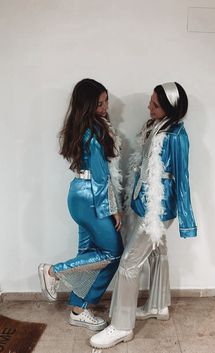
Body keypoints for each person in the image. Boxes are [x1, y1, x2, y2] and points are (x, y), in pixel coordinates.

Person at [90, 82, 197, 348]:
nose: (148, 107)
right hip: (143, 203)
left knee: (129, 263)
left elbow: (182, 179)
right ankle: (158, 305)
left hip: (159, 210)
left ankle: (121, 326)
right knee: (157, 252)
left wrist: (187, 222)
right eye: (151, 101)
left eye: (155, 105)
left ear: (171, 109)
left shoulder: (176, 135)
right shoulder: (154, 126)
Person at [38, 78, 124, 331]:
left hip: (78, 194)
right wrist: (112, 208)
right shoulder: (95, 130)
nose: (106, 107)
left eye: (106, 100)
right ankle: (53, 271)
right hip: (91, 197)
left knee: (88, 254)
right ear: (88, 105)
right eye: (100, 103)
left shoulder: (81, 125)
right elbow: (100, 177)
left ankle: (78, 308)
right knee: (112, 253)